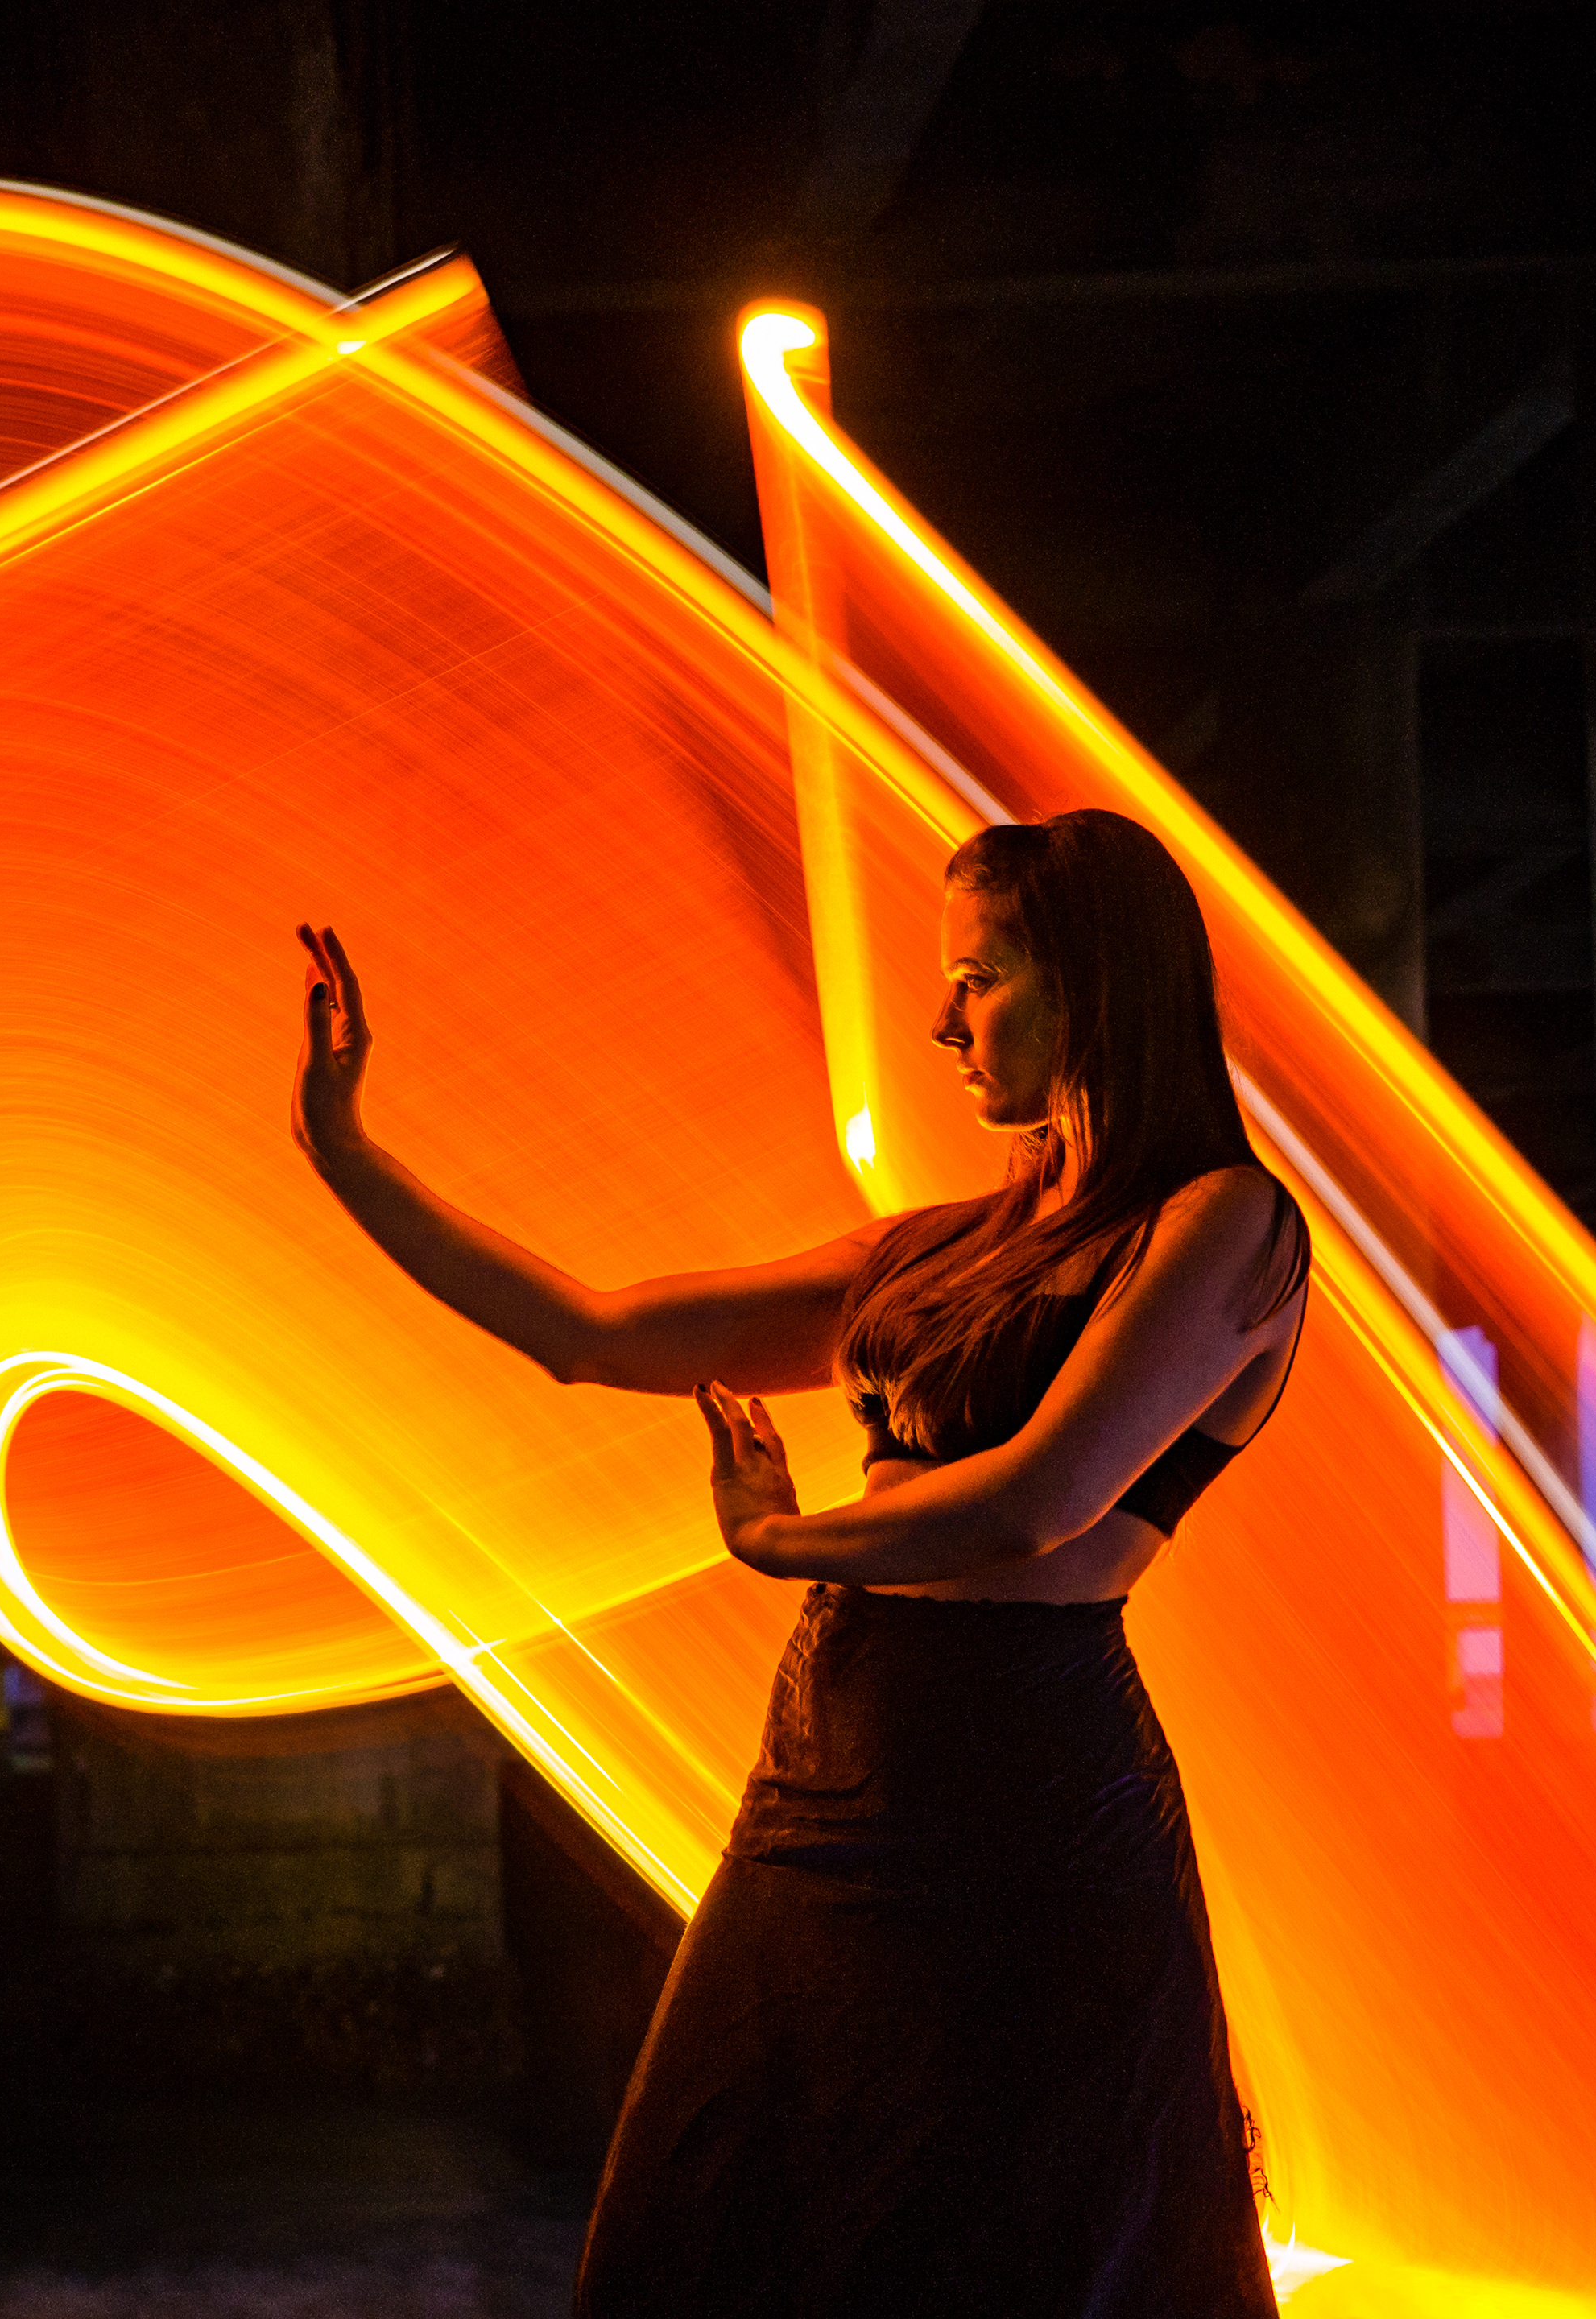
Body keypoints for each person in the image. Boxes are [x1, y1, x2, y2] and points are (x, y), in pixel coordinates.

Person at [292, 807, 1308, 2318]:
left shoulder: (1226, 1226)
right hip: (823, 1778)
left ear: (1093, 983)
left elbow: (1039, 1502)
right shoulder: (929, 1249)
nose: (941, 1022)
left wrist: (779, 1539)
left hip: (1028, 1799)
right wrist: (343, 1153)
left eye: (981, 978)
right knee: (708, 2226)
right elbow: (594, 1334)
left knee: (1019, 2249)